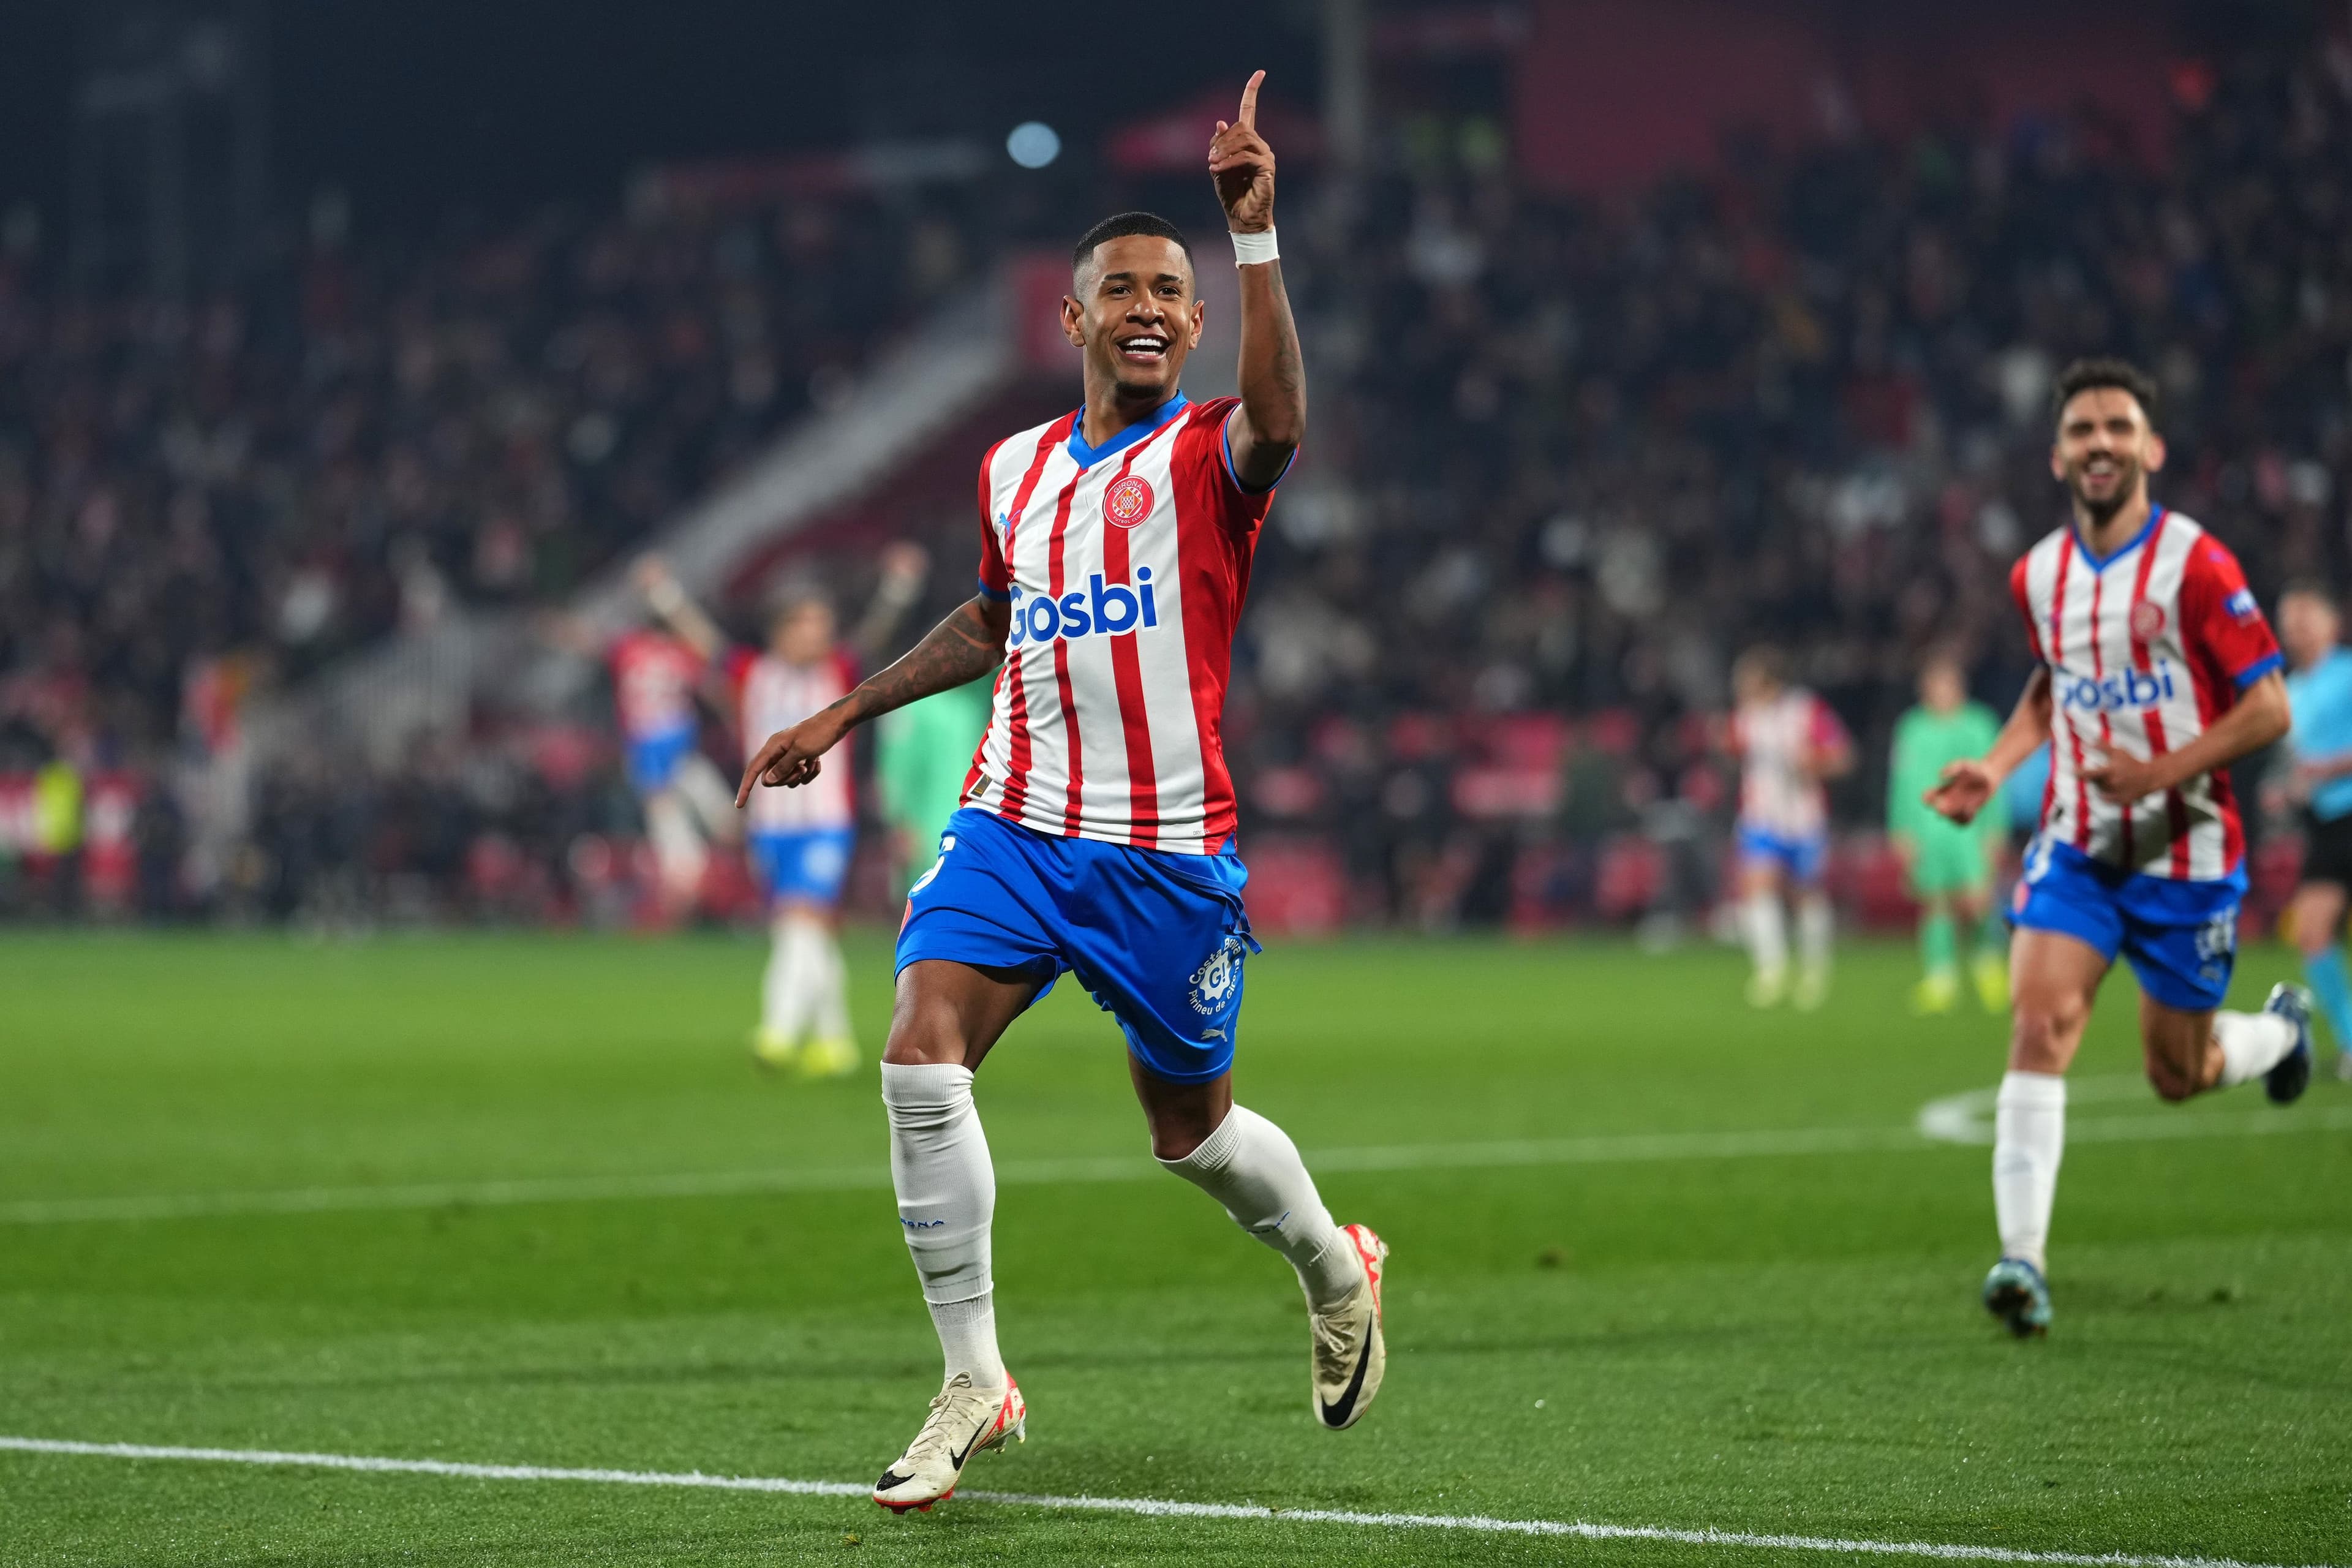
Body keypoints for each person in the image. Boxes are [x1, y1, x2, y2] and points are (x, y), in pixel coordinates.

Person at [734, 74, 1389, 1513]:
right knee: (917, 1053)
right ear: (1073, 318)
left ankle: (1334, 1266)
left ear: (1196, 320)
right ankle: (974, 1373)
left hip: (1160, 851)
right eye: (1126, 289)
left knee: (1194, 1134)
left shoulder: (1213, 454)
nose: (1152, 305)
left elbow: (1282, 418)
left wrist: (1258, 234)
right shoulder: (1013, 465)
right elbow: (990, 616)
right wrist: (841, 710)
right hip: (1013, 819)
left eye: (1174, 288)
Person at [1924, 357, 2311, 1340]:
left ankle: (2278, 1037)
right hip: (2080, 849)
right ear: (2057, 457)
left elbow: (2268, 708)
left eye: (2119, 428)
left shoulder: (2198, 565)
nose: (2101, 443)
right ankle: (2022, 1262)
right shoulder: (2038, 574)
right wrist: (2000, 762)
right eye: (2084, 430)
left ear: (2152, 448)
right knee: (2039, 1025)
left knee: (2175, 1077)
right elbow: (2054, 682)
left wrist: (2162, 769)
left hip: (2185, 855)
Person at [641, 548, 926, 1076]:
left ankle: (779, 1029)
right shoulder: (752, 673)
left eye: (823, 624)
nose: (818, 634)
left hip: (824, 824)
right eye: (806, 624)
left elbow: (875, 637)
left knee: (799, 923)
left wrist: (898, 589)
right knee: (806, 932)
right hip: (770, 827)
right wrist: (664, 594)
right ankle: (835, 1043)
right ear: (780, 630)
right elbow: (701, 639)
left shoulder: (838, 670)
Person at [542, 603, 730, 921]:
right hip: (678, 750)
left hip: (650, 752)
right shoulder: (678, 653)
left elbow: (590, 642)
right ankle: (692, 900)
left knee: (675, 833)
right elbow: (715, 686)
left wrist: (558, 627)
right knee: (715, 825)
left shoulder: (631, 650)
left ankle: (690, 894)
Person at [1727, 646, 1853, 1009]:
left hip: (1804, 819)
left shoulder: (1805, 710)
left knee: (1806, 894)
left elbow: (1843, 756)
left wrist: (1815, 764)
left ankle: (1814, 970)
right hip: (1761, 817)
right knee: (1757, 885)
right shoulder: (1745, 718)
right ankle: (1771, 969)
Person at [1888, 650, 2008, 1014]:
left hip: (1970, 828)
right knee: (1936, 901)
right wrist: (1900, 829)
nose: (1941, 691)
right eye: (1935, 685)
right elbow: (1901, 782)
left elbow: (1994, 780)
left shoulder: (1980, 724)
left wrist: (1995, 829)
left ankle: (1988, 968)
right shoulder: (1911, 728)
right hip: (1927, 829)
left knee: (1976, 900)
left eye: (1948, 684)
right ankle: (1942, 979)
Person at [2272, 582, 2352, 1079]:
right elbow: (2298, 764)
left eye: (2305, 617)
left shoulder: (2347, 674)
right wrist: (2286, 790)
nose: (2296, 629)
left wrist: (2321, 772)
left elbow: (2319, 763)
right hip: (2325, 824)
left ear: (2331, 621)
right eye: (2288, 621)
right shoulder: (2291, 689)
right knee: (2312, 931)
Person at [874, 678, 993, 899]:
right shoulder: (913, 704)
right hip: (926, 833)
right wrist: (899, 822)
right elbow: (897, 769)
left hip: (973, 830)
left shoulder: (977, 701)